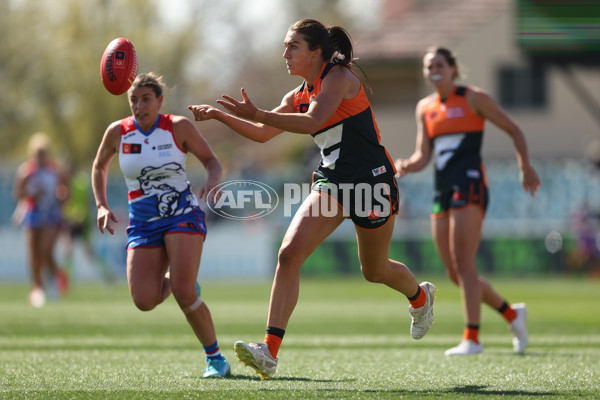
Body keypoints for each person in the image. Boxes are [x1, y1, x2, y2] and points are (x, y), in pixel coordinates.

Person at [189, 19, 436, 379]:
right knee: (289, 254)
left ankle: (420, 299)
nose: (285, 53)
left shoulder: (339, 78)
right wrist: (220, 116)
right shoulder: (297, 94)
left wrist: (257, 112)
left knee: (374, 270)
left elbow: (312, 121)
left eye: (293, 46)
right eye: (286, 46)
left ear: (316, 52)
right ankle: (269, 352)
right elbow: (262, 134)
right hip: (333, 183)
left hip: (371, 182)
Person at [395, 47, 541, 355]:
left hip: (471, 184)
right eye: (427, 65)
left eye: (438, 64)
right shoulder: (425, 107)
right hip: (443, 189)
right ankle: (512, 314)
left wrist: (525, 165)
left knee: (465, 264)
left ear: (452, 68)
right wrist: (408, 165)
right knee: (454, 272)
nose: (433, 69)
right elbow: (424, 156)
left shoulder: (474, 97)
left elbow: (513, 128)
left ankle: (472, 338)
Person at [91, 73, 230, 378]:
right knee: (144, 300)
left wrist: (214, 180)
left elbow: (211, 160)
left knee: (182, 293)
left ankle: (216, 359)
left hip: (182, 214)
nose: (139, 106)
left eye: (145, 99)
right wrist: (101, 204)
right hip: (142, 223)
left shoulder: (177, 126)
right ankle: (183, 279)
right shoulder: (118, 132)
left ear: (159, 101)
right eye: (134, 100)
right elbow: (99, 165)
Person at [13, 132, 70, 307]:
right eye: (38, 153)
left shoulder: (55, 170)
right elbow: (18, 194)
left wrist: (62, 197)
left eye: (43, 152)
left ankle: (55, 279)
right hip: (32, 213)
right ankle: (37, 287)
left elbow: (66, 191)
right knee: (34, 253)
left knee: (45, 250)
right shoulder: (26, 171)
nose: (41, 156)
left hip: (51, 213)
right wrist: (32, 194)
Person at [62, 165, 115, 282]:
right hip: (72, 220)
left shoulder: (79, 183)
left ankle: (106, 273)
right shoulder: (67, 184)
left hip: (81, 220)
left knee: (88, 252)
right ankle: (69, 279)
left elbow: (85, 202)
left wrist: (80, 216)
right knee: (68, 251)